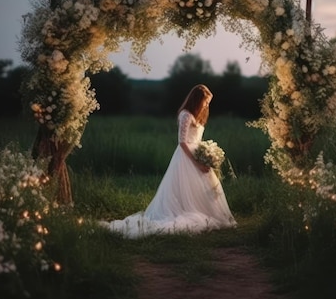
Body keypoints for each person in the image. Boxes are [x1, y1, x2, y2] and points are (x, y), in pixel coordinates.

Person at [101, 84, 237, 238]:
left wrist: (206, 155)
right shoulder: (186, 115)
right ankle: (185, 212)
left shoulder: (197, 116)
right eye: (205, 102)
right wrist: (197, 162)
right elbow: (182, 142)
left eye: (208, 103)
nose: (206, 105)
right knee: (185, 188)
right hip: (186, 157)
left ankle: (207, 212)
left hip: (197, 153)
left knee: (205, 186)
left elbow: (197, 139)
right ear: (196, 100)